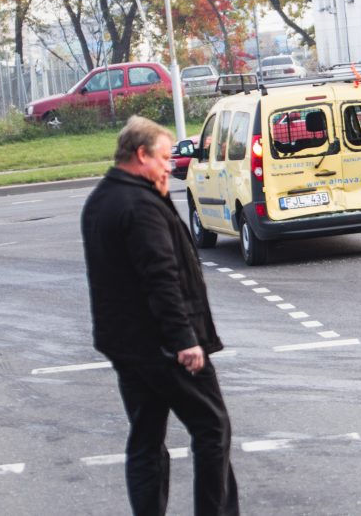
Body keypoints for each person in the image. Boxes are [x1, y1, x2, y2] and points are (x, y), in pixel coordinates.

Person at [81, 116, 238, 516]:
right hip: (164, 344)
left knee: (146, 439)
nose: (170, 166)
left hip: (126, 345)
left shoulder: (102, 198)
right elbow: (162, 278)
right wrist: (185, 340)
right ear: (140, 154)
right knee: (212, 429)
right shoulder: (140, 205)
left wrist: (161, 193)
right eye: (165, 158)